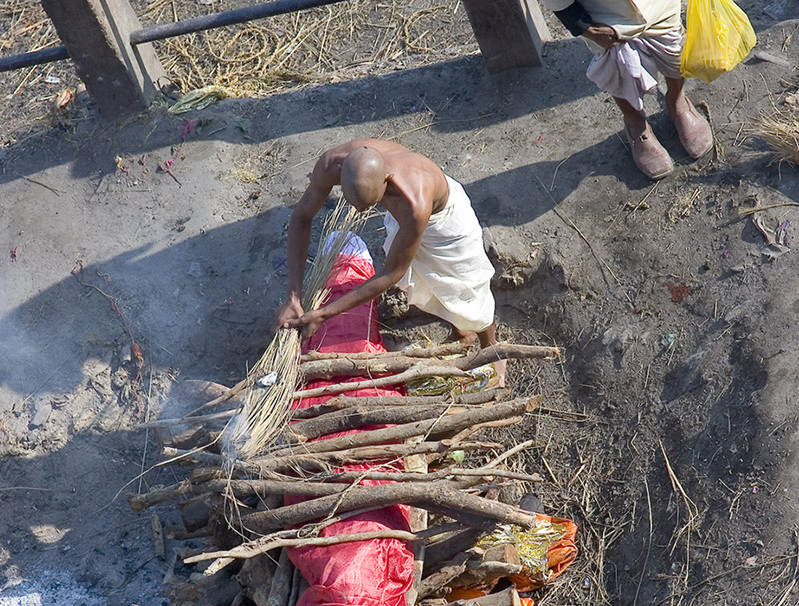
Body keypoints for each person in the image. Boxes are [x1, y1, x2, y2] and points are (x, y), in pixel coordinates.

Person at [274, 138, 505, 383]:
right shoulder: (331, 163)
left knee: (467, 286)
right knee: (424, 281)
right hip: (401, 216)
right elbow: (301, 217)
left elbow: (391, 272)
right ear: (340, 175)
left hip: (444, 221)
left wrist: (324, 313)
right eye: (356, 204)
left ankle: (492, 349)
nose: (362, 212)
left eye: (371, 204)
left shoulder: (415, 200)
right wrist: (294, 296)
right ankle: (461, 331)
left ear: (387, 179)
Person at [541, 0, 713, 179]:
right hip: (606, 15)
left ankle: (677, 101)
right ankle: (635, 123)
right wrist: (586, 28)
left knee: (675, 51)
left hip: (659, 6)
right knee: (617, 66)